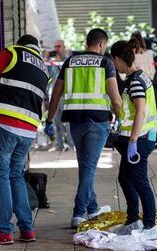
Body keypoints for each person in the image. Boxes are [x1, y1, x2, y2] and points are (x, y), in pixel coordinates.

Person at [45, 28, 122, 228]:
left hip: (75, 123)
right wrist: (120, 119)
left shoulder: (70, 62)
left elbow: (56, 95)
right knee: (88, 169)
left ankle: (93, 207)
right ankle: (79, 213)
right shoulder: (106, 63)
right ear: (102, 44)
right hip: (97, 122)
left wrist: (49, 119)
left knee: (86, 166)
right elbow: (116, 98)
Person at [0, 34, 50, 244]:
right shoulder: (44, 69)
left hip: (5, 124)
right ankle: (27, 230)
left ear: (21, 45)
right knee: (16, 176)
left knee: (1, 176)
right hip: (28, 130)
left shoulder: (13, 52)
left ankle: (5, 231)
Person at [110, 39, 157, 234]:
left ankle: (149, 225)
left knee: (139, 182)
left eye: (114, 61)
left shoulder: (135, 81)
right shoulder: (137, 77)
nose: (114, 65)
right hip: (139, 137)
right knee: (125, 179)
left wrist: (132, 141)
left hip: (140, 139)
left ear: (118, 59)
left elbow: (140, 111)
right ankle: (133, 221)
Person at [46, 39, 74, 152]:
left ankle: (71, 145)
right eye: (55, 46)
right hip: (53, 95)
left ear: (64, 47)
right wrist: (47, 60)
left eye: (59, 46)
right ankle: (58, 144)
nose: (57, 49)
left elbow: (67, 74)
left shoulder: (68, 60)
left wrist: (58, 63)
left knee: (68, 122)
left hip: (65, 96)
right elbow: (48, 75)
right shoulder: (51, 62)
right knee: (56, 121)